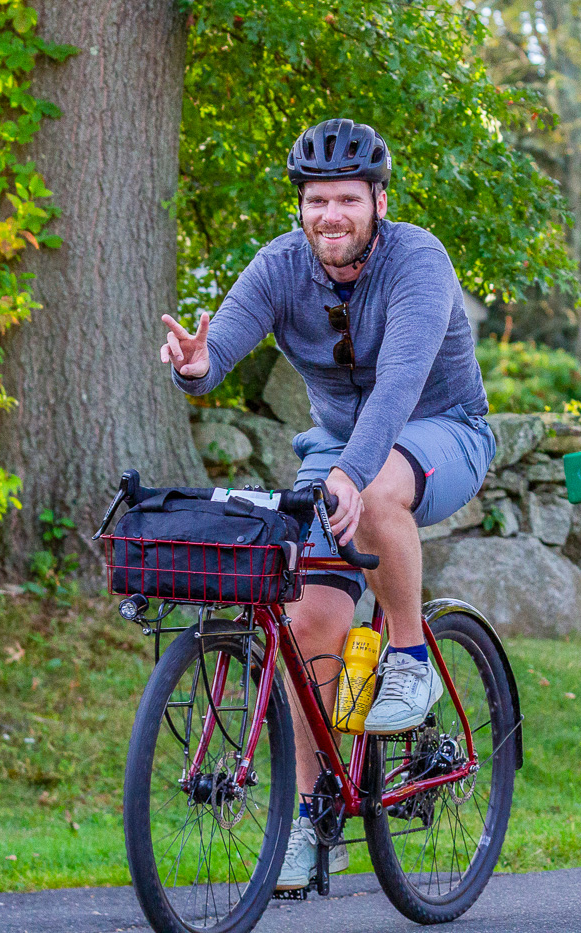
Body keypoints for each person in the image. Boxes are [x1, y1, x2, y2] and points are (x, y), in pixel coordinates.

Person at [158, 118, 496, 891]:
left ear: (378, 200)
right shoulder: (282, 264)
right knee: (308, 623)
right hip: (336, 448)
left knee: (375, 490)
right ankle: (314, 816)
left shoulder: (418, 261)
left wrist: (351, 468)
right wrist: (197, 364)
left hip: (441, 431)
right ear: (301, 207)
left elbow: (401, 383)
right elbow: (221, 349)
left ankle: (410, 658)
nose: (329, 215)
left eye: (346, 198)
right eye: (316, 201)